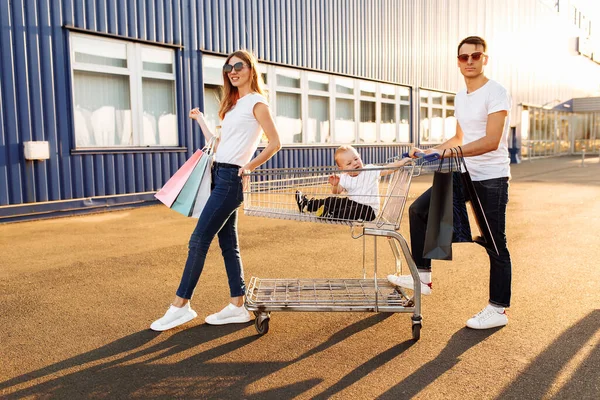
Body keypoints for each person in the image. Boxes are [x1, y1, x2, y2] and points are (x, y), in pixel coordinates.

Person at [387, 36, 512, 330]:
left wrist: (450, 153)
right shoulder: (460, 96)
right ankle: (423, 276)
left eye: (475, 56)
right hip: (463, 172)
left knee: (495, 244)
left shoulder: (496, 92)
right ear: (458, 62)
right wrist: (431, 151)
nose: (469, 61)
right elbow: (459, 139)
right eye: (463, 57)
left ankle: (498, 309)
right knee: (420, 210)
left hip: (491, 178)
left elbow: (492, 141)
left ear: (485, 59)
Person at [151, 50, 281, 331]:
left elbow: (274, 143)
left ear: (251, 69)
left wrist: (248, 167)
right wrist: (200, 120)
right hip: (218, 174)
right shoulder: (234, 106)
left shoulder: (257, 103)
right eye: (228, 67)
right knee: (228, 245)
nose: (232, 71)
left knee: (198, 240)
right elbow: (217, 144)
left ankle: (180, 306)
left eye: (238, 66)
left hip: (230, 180)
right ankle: (238, 305)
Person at [296, 145, 410, 222]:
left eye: (356, 159)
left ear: (360, 157)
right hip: (352, 203)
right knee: (333, 200)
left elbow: (387, 169)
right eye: (349, 163)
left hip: (368, 210)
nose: (355, 163)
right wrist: (335, 184)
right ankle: (307, 205)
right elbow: (337, 192)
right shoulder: (344, 177)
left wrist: (402, 162)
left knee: (352, 210)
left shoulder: (370, 170)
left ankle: (330, 215)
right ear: (342, 168)